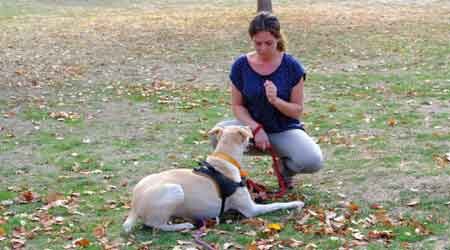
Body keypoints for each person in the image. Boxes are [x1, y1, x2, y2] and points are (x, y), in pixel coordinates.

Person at [211, 12, 323, 188]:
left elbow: (297, 111)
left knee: (313, 161)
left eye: (268, 43)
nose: (263, 48)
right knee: (218, 135)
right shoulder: (241, 65)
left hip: (282, 129)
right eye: (258, 44)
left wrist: (276, 100)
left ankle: (284, 169)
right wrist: (255, 128)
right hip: (251, 128)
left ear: (278, 39)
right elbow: (238, 106)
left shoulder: (291, 66)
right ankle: (234, 181)